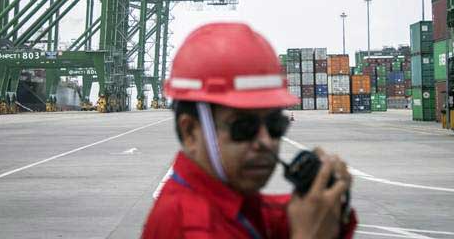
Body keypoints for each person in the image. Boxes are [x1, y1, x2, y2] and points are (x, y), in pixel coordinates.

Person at [142, 22, 357, 238]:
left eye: (275, 125)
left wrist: (327, 207)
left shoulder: (231, 198)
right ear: (190, 133)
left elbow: (264, 215)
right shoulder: (191, 228)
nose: (265, 142)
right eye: (244, 127)